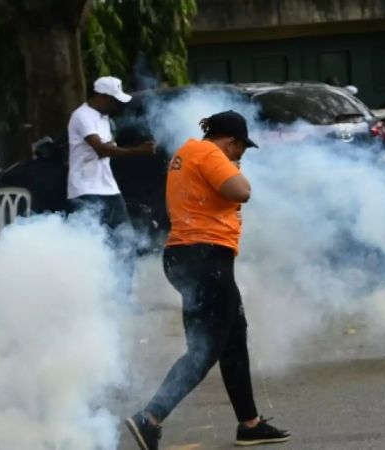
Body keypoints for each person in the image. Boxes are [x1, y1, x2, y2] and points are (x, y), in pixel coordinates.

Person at [124, 111, 290, 450]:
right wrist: (236, 170)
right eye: (241, 150)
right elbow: (241, 191)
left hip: (192, 256)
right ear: (231, 142)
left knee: (232, 341)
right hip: (204, 258)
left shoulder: (187, 153)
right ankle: (151, 417)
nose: (240, 156)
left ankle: (250, 423)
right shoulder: (209, 154)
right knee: (204, 348)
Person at [68, 76, 155, 230]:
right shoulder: (82, 116)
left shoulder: (104, 118)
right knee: (92, 236)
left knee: (124, 234)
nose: (116, 106)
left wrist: (109, 147)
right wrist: (138, 151)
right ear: (102, 97)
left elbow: (107, 148)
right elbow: (101, 149)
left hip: (108, 186)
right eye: (113, 101)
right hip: (86, 188)